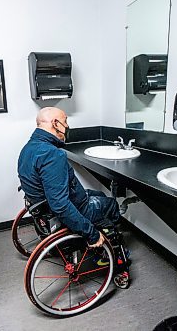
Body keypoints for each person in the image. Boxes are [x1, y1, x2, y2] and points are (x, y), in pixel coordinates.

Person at [17, 106, 122, 248]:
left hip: (45, 206)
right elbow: (60, 205)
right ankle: (112, 246)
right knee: (111, 204)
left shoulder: (29, 148)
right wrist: (91, 234)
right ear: (55, 123)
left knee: (98, 194)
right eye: (65, 121)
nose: (67, 126)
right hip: (71, 208)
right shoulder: (52, 154)